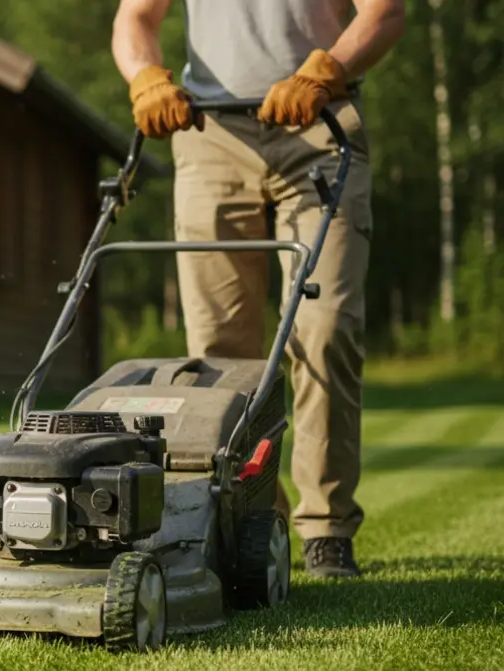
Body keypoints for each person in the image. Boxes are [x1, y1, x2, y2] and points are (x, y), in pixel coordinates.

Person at [111, 0, 405, 578]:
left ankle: (326, 530)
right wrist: (145, 77)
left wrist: (325, 70)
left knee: (325, 330)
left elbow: (385, 13)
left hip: (318, 127)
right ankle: (250, 523)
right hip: (209, 132)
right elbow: (135, 18)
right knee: (220, 353)